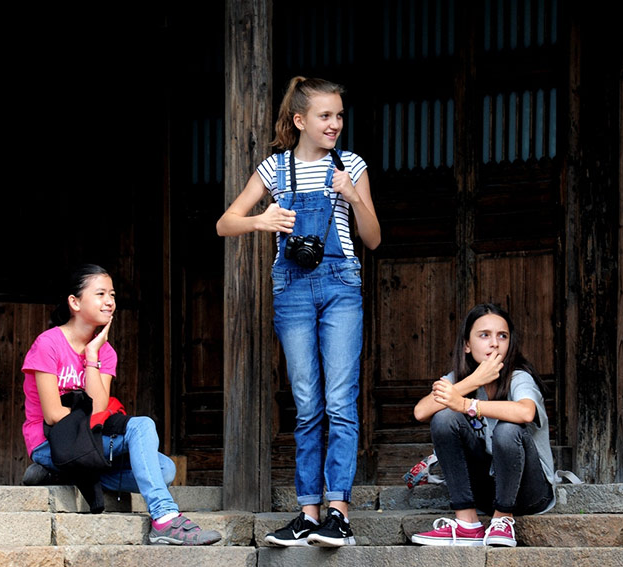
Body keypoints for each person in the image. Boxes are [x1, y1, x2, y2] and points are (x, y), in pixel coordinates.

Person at [217, 76, 380, 547]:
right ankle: (308, 512)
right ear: (300, 120)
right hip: (291, 288)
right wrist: (261, 220)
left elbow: (372, 238)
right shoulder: (275, 168)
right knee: (307, 404)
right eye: (326, 116)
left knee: (340, 401)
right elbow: (225, 222)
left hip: (341, 284)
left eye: (340, 116)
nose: (335, 124)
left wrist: (352, 197)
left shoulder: (350, 165)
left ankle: (338, 514)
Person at [20, 264, 221, 546]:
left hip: (88, 440)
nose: (109, 301)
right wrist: (88, 417)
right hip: (51, 442)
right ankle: (164, 517)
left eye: (112, 294)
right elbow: (53, 415)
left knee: (165, 470)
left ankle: (65, 472)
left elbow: (99, 407)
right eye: (100, 293)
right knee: (142, 426)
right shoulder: (48, 344)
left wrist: (92, 354)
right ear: (74, 302)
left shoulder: (106, 352)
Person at [410, 303, 555, 547]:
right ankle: (467, 524)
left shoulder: (519, 376)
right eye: (484, 335)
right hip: (485, 492)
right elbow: (421, 411)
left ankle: (503, 519)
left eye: (503, 336)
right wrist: (473, 381)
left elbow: (526, 412)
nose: (495, 343)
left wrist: (467, 404)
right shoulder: (460, 379)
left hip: (530, 492)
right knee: (444, 416)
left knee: (508, 428)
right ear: (467, 344)